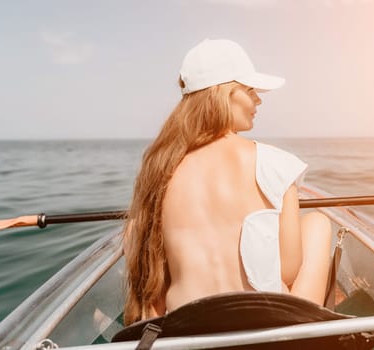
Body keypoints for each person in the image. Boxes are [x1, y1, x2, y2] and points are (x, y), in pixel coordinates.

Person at [122, 39, 333, 326]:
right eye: (251, 90)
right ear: (226, 93)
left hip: (188, 330)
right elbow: (288, 270)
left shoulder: (159, 169)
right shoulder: (275, 163)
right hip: (271, 331)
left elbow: (152, 278)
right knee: (317, 222)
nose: (258, 100)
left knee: (135, 227)